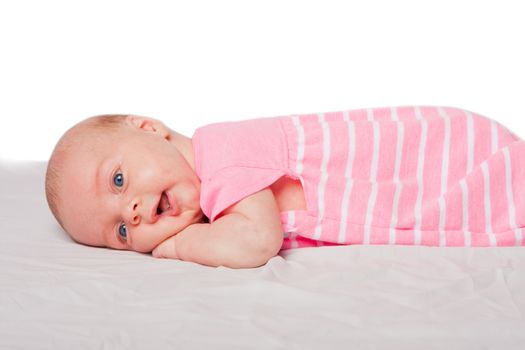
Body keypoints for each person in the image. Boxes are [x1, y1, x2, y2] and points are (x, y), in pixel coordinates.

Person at [45, 106, 525, 269]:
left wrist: (177, 246)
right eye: (121, 234)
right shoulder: (214, 205)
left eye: (118, 180)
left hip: (438, 155)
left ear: (149, 128)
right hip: (417, 201)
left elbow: (257, 241)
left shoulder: (224, 149)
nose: (129, 212)